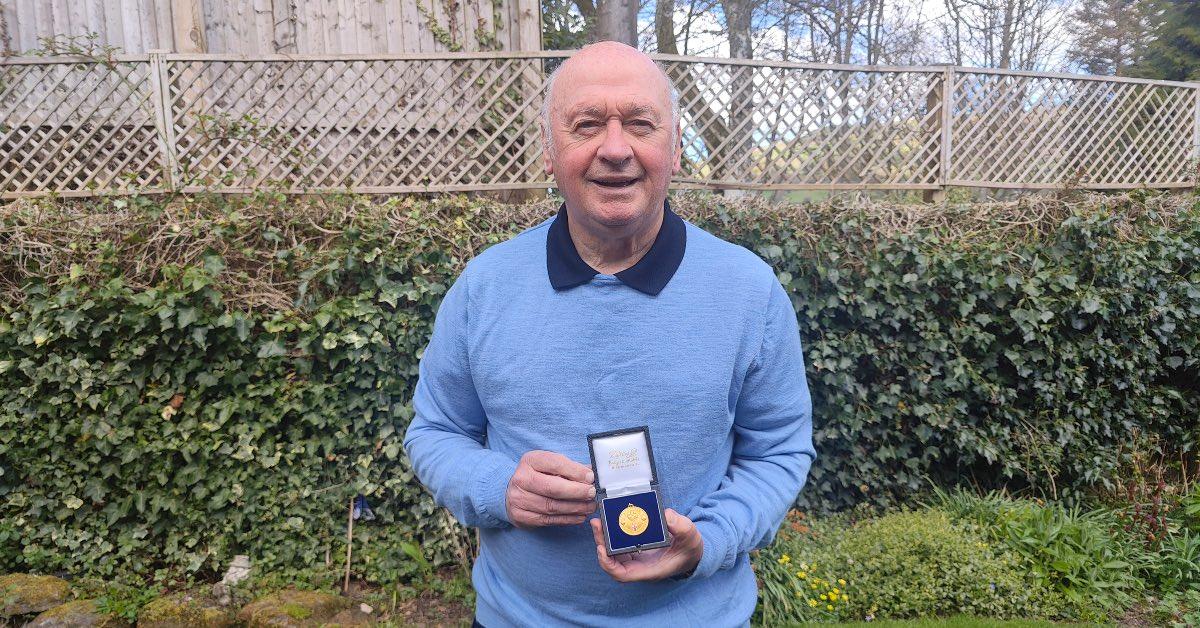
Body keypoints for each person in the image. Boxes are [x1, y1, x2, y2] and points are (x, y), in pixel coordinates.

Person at [403, 41, 815, 627]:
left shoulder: (748, 291)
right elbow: (435, 431)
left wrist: (710, 539)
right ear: (550, 151)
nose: (615, 149)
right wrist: (500, 488)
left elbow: (778, 450)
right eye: (587, 124)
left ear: (674, 150)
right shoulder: (485, 288)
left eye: (640, 124)